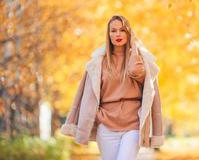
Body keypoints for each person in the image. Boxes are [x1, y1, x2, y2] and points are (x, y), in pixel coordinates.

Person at [60, 15, 164, 160]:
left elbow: (136, 72)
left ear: (129, 33)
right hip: (106, 126)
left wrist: (134, 48)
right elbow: (85, 96)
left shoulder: (140, 59)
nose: (118, 34)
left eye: (122, 30)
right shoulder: (98, 62)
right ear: (108, 34)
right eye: (113, 31)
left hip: (132, 125)